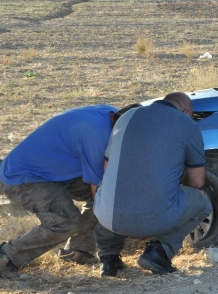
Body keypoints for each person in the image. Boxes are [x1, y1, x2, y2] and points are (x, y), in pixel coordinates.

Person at [0, 103, 138, 279]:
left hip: (55, 172)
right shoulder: (97, 137)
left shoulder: (112, 114)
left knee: (107, 195)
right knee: (68, 221)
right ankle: (6, 257)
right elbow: (101, 192)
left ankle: (79, 251)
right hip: (24, 179)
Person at [93, 92, 211, 277]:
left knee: (109, 191)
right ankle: (159, 252)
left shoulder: (126, 116)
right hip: (155, 219)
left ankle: (109, 260)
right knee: (202, 204)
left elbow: (107, 167)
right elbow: (197, 181)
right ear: (186, 111)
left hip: (108, 217)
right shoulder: (186, 123)